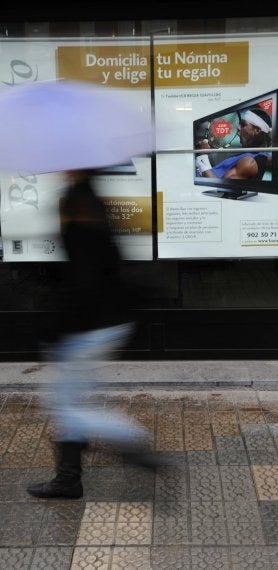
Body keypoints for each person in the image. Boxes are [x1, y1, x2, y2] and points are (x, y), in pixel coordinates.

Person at [27, 169, 158, 500]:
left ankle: (129, 436)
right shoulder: (92, 201)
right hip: (105, 321)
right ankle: (68, 477)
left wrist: (55, 330)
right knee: (70, 399)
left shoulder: (78, 204)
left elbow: (82, 281)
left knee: (64, 405)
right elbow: (108, 265)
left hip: (87, 326)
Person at [195, 106, 272, 180]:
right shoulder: (248, 155)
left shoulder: (249, 162)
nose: (238, 128)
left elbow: (218, 188)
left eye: (243, 124)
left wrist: (202, 156)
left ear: (257, 130)